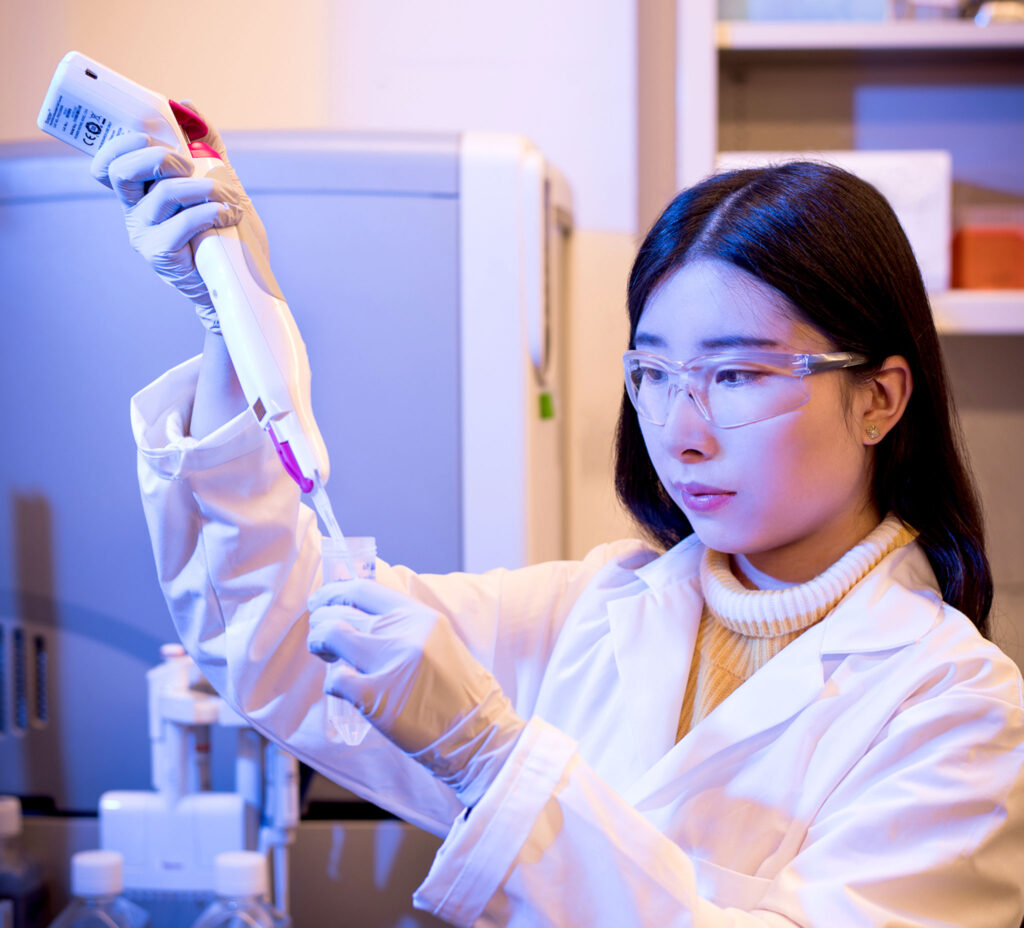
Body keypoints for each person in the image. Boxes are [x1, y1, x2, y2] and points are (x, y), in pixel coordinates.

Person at [94, 114, 1024, 927]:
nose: (682, 434)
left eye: (735, 377)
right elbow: (280, 638)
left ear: (880, 399)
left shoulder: (957, 710)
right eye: (654, 377)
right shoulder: (596, 607)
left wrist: (491, 760)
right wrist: (235, 322)